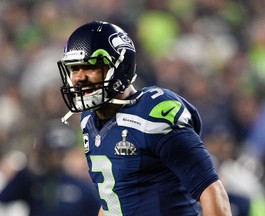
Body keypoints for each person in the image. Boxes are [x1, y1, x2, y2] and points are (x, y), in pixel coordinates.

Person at [57, 20, 232, 216]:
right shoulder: (89, 119)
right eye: (74, 69)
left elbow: (211, 190)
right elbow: (113, 200)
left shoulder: (152, 113)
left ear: (119, 67)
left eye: (89, 67)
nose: (79, 78)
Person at [0, 120, 101, 216]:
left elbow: (95, 211)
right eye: (51, 152)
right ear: (44, 152)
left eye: (60, 153)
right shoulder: (32, 180)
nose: (55, 157)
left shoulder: (80, 186)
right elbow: (5, 197)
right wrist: (27, 168)